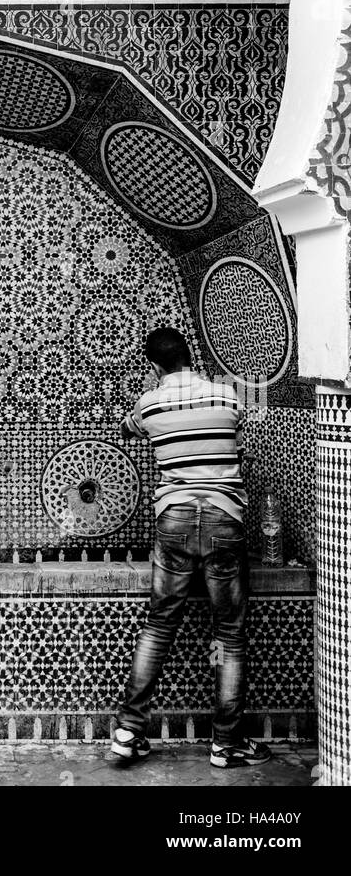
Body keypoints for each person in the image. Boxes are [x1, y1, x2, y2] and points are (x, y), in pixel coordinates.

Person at [110, 325, 272, 770]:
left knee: (160, 624)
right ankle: (226, 742)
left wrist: (155, 394)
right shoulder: (226, 395)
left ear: (155, 365)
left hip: (176, 520)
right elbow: (240, 429)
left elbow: (128, 430)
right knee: (229, 633)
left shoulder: (148, 405)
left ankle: (129, 730)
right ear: (190, 357)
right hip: (223, 517)